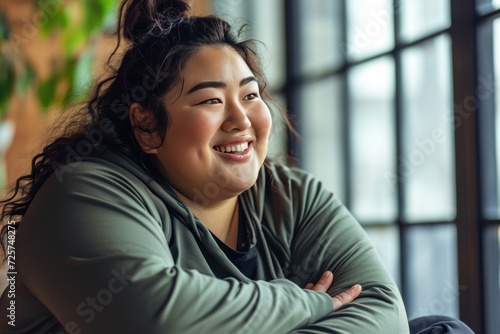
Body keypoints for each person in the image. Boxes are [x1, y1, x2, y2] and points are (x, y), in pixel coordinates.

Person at [0, 0, 472, 333]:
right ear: (146, 126)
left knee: (438, 329)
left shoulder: (291, 195)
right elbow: (156, 320)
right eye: (210, 100)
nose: (241, 119)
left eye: (250, 95)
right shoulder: (85, 193)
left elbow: (382, 315)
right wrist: (308, 301)